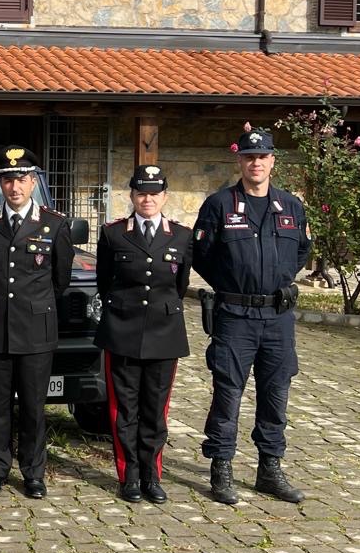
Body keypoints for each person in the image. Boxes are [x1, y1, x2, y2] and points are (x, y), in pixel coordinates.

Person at [191, 125, 310, 505]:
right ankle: (221, 468)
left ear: (272, 161)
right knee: (228, 394)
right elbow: (203, 256)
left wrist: (277, 279)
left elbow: (302, 251)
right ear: (239, 160)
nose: (255, 163)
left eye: (262, 156)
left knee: (276, 394)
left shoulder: (290, 206)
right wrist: (234, 284)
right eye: (248, 156)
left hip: (278, 316)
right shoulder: (219, 205)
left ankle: (269, 470)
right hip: (235, 314)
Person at [0, 146, 73, 499]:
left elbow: (60, 280)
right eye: (9, 179)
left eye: (23, 179)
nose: (15, 187)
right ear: (1, 183)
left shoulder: (54, 224)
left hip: (35, 332)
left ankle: (33, 473)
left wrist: (32, 308)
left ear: (33, 182)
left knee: (32, 406)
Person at [95, 164, 192, 504]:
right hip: (122, 330)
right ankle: (129, 476)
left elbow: (178, 286)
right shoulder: (113, 234)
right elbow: (105, 281)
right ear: (132, 196)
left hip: (164, 334)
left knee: (155, 410)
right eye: (141, 193)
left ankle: (152, 475)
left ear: (164, 196)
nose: (147, 199)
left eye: (154, 193)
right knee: (124, 409)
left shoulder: (180, 236)